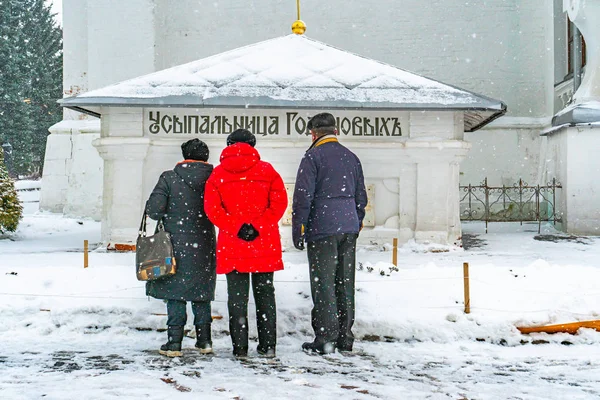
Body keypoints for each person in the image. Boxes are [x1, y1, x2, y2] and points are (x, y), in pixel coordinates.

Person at [204, 129, 288, 359]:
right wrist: (258, 225)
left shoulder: (218, 174)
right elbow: (279, 203)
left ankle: (239, 348)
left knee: (237, 299)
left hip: (233, 245)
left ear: (228, 144)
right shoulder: (267, 171)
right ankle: (267, 346)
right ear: (253, 144)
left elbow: (213, 210)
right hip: (264, 244)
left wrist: (236, 227)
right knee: (265, 298)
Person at [292, 112, 368, 355]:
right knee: (345, 283)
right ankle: (345, 337)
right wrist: (356, 220)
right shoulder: (352, 157)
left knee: (324, 283)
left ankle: (326, 337)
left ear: (313, 134)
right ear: (336, 131)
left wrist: (299, 227)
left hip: (323, 227)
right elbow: (361, 196)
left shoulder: (313, 156)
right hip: (348, 227)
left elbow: (303, 197)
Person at [145, 139, 216, 357]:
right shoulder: (215, 178)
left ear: (184, 155)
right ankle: (204, 341)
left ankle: (174, 343)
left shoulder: (169, 177)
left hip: (173, 244)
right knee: (201, 293)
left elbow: (154, 211)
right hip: (204, 243)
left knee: (175, 292)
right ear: (206, 157)